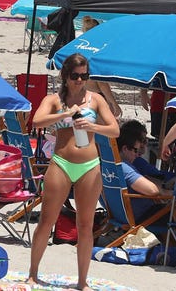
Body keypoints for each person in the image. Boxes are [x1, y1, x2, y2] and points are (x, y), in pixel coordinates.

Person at [28, 53, 119, 290]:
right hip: (61, 162)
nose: (80, 80)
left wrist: (93, 126)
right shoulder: (55, 100)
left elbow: (114, 130)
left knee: (85, 225)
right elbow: (36, 121)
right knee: (47, 220)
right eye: (75, 76)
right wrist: (65, 114)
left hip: (89, 165)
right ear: (65, 76)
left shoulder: (95, 99)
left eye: (84, 75)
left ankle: (82, 282)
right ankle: (33, 273)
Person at [116, 122, 172, 231]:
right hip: (143, 217)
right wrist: (164, 192)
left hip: (122, 216)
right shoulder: (124, 167)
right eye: (136, 150)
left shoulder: (109, 165)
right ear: (125, 149)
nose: (138, 154)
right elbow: (153, 191)